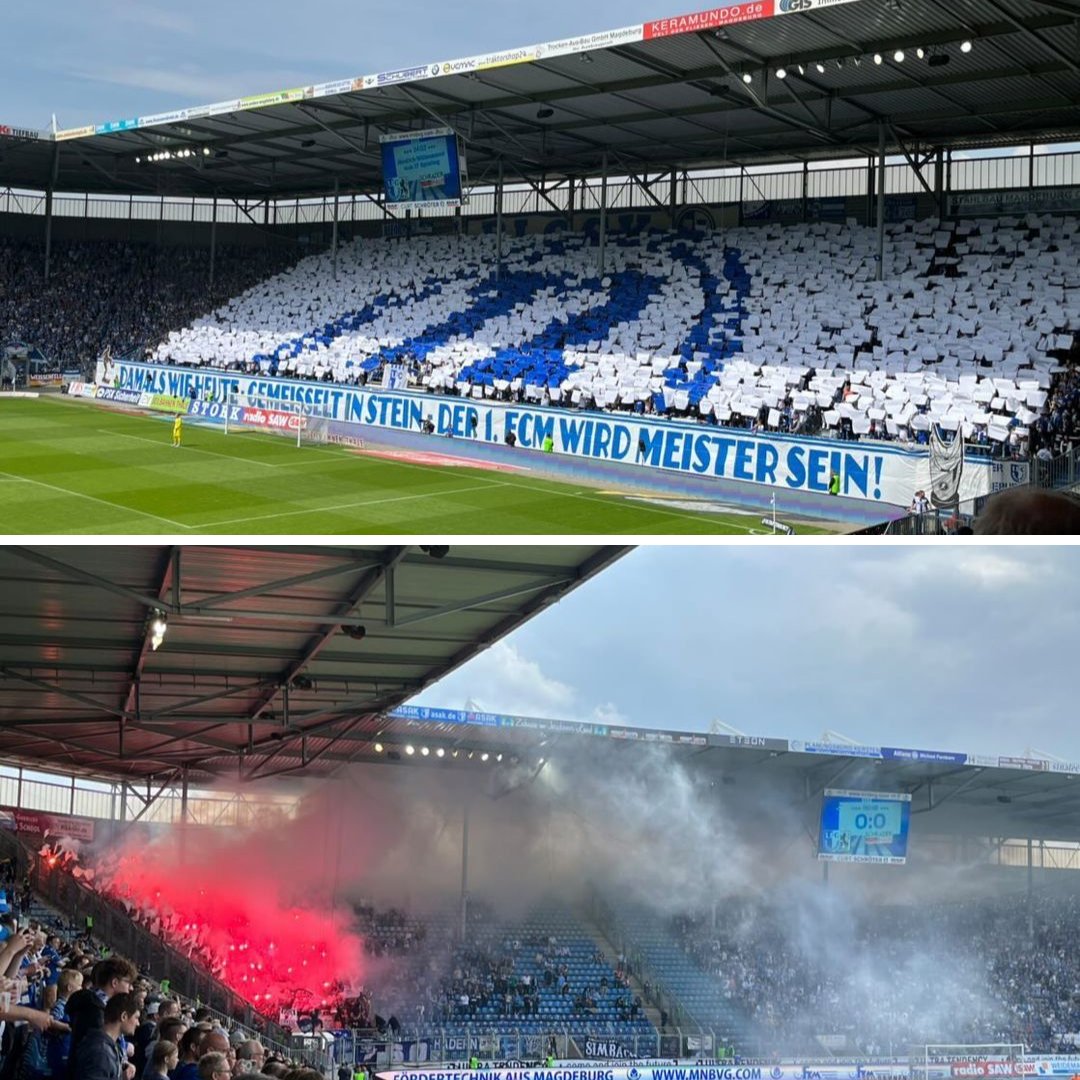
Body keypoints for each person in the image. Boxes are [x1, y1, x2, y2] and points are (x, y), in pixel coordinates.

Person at [72, 990, 139, 1080]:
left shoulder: (109, 1047)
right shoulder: (101, 1052)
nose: (138, 1023)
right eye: (136, 1017)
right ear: (124, 1016)